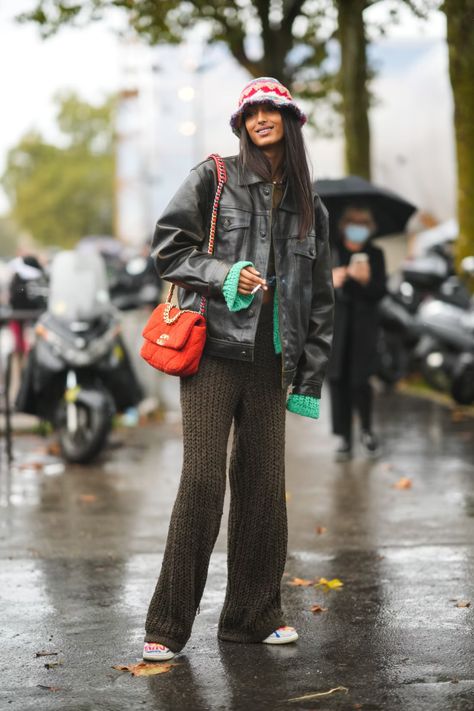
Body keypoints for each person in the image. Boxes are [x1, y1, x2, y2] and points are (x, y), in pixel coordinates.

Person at [142, 77, 334, 662]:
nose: (262, 118)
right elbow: (170, 249)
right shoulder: (214, 177)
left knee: (262, 491)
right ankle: (168, 625)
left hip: (272, 363)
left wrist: (307, 379)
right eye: (252, 112)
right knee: (201, 483)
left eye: (273, 109)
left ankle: (252, 616)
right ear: (242, 124)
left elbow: (319, 300)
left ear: (290, 120)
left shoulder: (309, 204)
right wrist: (223, 274)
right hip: (213, 353)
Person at [328, 205, 387, 461]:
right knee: (337, 379)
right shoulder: (331, 251)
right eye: (354, 224)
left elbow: (380, 291)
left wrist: (364, 281)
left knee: (360, 380)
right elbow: (315, 288)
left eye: (364, 226)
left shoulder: (375, 253)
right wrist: (332, 279)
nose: (358, 230)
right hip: (336, 325)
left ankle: (366, 430)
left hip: (364, 325)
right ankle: (344, 437)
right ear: (344, 227)